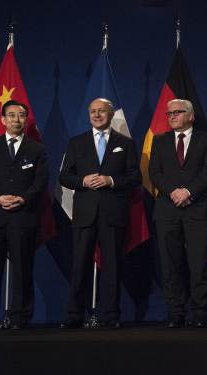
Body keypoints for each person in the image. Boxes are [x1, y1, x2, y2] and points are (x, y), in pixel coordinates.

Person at [59, 98, 141, 329]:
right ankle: (75, 315)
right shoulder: (77, 143)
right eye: (93, 112)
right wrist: (82, 180)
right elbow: (64, 176)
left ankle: (111, 315)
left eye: (101, 111)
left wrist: (111, 180)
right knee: (79, 265)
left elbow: (135, 177)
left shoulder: (124, 143)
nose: (96, 115)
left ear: (110, 114)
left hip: (113, 213)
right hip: (85, 213)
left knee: (113, 266)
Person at [149, 99, 207, 328]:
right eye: (169, 113)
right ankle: (175, 312)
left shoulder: (205, 140)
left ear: (191, 116)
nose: (172, 116)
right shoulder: (159, 141)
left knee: (198, 264)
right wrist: (173, 192)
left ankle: (199, 313)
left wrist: (188, 191)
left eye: (177, 112)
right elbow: (154, 173)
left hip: (196, 209)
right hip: (167, 210)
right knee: (170, 265)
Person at [0, 100, 48, 330]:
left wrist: (23, 198)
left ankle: (19, 318)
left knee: (22, 269)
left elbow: (41, 181)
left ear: (26, 120)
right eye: (11, 115)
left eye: (21, 115)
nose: (16, 119)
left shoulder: (37, 149)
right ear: (3, 120)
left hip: (23, 217)